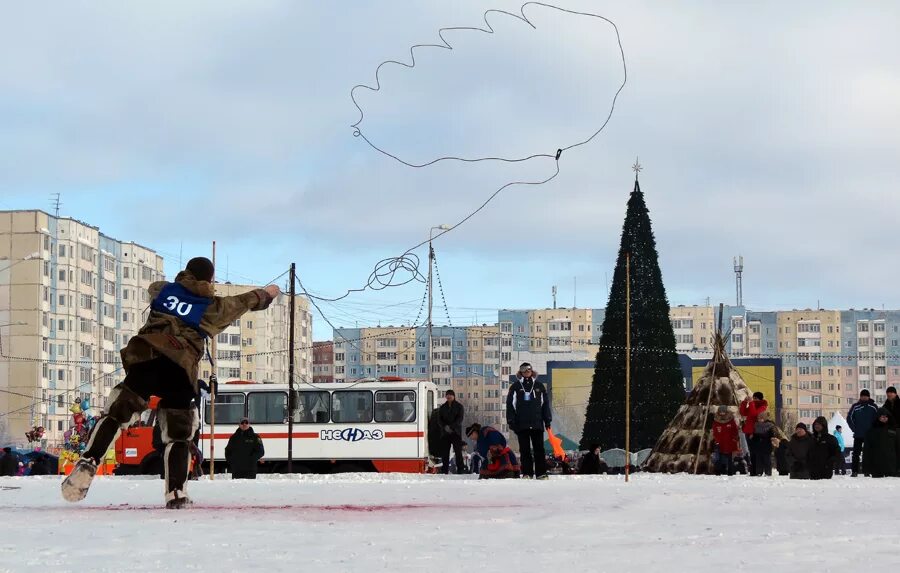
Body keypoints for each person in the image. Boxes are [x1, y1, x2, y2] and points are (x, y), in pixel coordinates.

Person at [61, 257, 280, 508]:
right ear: (209, 279)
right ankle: (176, 493)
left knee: (117, 412)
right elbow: (244, 302)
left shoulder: (163, 290)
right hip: (179, 367)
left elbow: (153, 288)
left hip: (147, 358)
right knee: (178, 434)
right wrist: (268, 293)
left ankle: (89, 460)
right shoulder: (210, 307)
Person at [506, 362, 552, 479]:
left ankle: (541, 473)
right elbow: (510, 405)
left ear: (532, 371)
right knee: (525, 450)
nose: (526, 372)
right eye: (523, 370)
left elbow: (545, 404)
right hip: (522, 425)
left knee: (539, 450)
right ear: (520, 372)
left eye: (528, 370)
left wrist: (547, 420)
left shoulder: (539, 386)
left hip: (537, 424)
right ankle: (527, 473)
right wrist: (511, 421)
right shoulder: (515, 387)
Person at [848, 389, 879, 477]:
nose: (864, 397)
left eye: (866, 396)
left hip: (870, 435)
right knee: (856, 454)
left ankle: (867, 471)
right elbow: (849, 418)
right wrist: (854, 429)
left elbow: (878, 419)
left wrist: (874, 430)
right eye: (862, 396)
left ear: (869, 397)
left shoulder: (873, 407)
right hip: (858, 434)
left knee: (868, 454)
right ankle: (854, 471)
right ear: (860, 396)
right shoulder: (855, 406)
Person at [863, 408, 900, 478]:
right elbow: (867, 451)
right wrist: (866, 469)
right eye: (882, 416)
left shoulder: (894, 430)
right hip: (877, 468)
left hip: (892, 468)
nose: (885, 418)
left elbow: (898, 449)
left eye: (886, 416)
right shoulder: (871, 432)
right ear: (878, 417)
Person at [437, 390, 465, 475]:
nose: (449, 397)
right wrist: (445, 427)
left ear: (454, 396)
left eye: (450, 395)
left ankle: (460, 469)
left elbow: (460, 419)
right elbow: (439, 420)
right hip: (445, 433)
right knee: (445, 452)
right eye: (447, 395)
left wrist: (452, 427)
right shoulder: (442, 407)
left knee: (458, 451)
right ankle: (444, 470)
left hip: (456, 432)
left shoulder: (459, 406)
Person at [711, 405, 741, 476]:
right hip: (720, 442)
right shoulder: (716, 421)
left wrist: (735, 438)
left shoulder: (731, 420)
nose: (722, 413)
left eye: (723, 412)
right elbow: (715, 431)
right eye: (720, 412)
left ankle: (730, 471)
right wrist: (717, 440)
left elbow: (735, 430)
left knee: (730, 458)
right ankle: (719, 471)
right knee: (719, 458)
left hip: (730, 442)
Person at [749, 410, 777, 476]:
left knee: (767, 460)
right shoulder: (756, 425)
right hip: (758, 446)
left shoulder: (770, 425)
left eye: (761, 418)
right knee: (759, 460)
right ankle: (759, 472)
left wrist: (771, 438)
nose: (760, 420)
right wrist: (753, 437)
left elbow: (771, 435)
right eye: (759, 418)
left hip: (766, 446)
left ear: (765, 418)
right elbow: (755, 436)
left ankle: (768, 472)